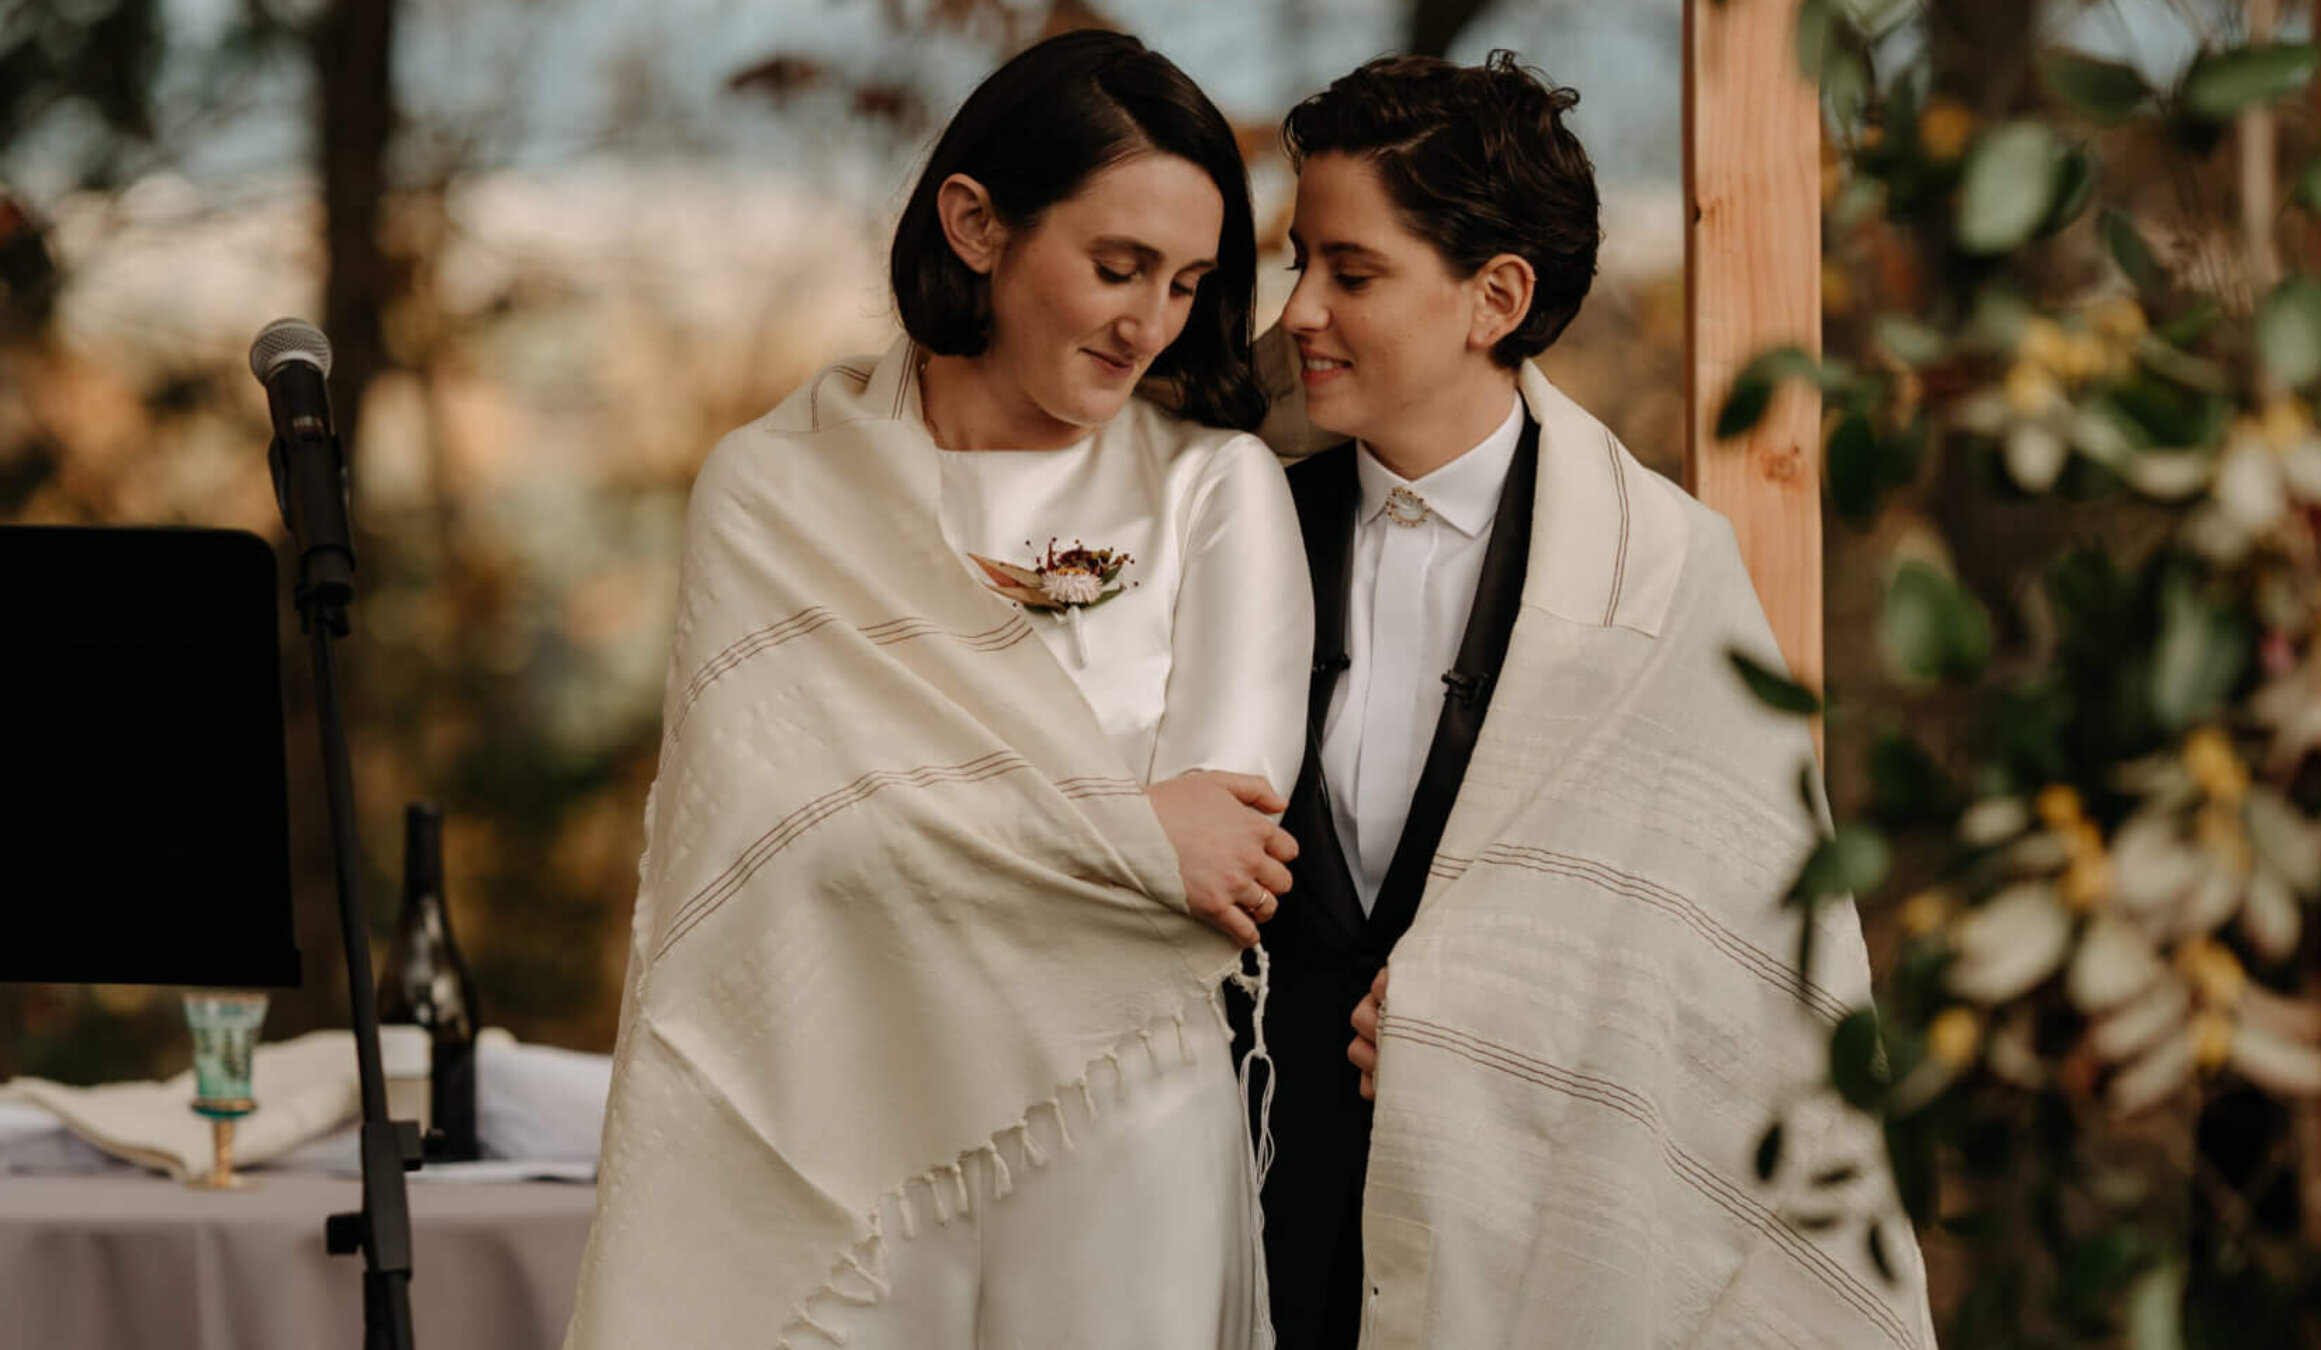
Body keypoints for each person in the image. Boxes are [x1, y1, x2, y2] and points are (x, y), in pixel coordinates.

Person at [566, 31, 1308, 1349]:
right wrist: (1129, 830)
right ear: (976, 223)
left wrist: (924, 823)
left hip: (1121, 1118)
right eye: (1116, 265)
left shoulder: (1215, 490)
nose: (1151, 323)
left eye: (1189, 282)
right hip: (846, 1126)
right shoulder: (777, 489)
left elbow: (1224, 863)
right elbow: (781, 842)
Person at [1243, 52, 1939, 1348]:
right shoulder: (1237, 538)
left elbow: (1738, 992)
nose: (1297, 310)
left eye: (1351, 270)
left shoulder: (1669, 580)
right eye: (1299, 261)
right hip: (1245, 1236)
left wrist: (1480, 1030)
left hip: (1516, 1258)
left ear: (1493, 297)